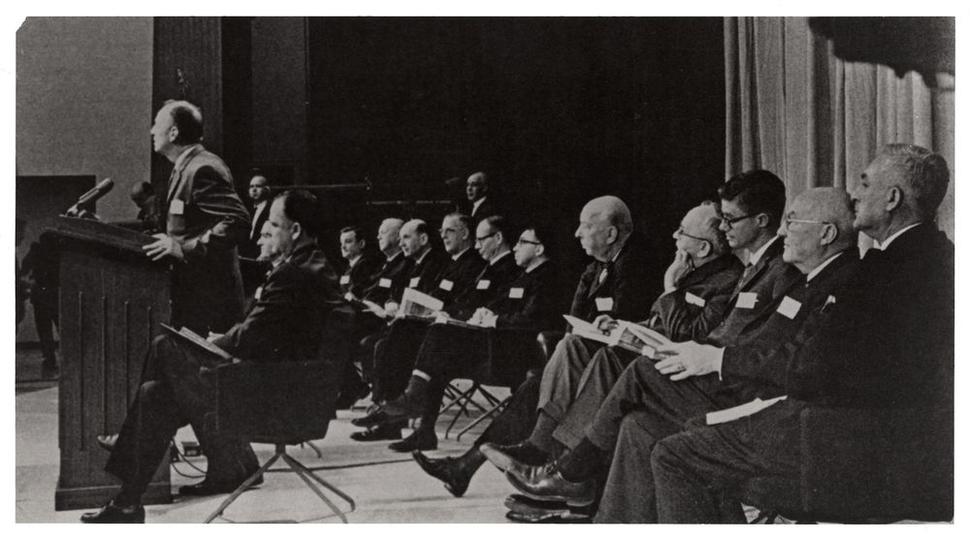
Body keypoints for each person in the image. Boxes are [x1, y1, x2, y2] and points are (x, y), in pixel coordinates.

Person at [651, 145, 953, 523]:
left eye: (864, 183)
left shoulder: (883, 272)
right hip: (885, 439)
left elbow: (816, 365)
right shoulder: (932, 257)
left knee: (677, 453)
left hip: (851, 442)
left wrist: (722, 363)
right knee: (695, 436)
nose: (855, 194)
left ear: (892, 198)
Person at [81, 190, 344, 523]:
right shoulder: (307, 265)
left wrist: (216, 342)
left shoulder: (296, 273)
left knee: (165, 347)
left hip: (278, 398)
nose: (265, 230)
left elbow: (249, 336)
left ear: (294, 232)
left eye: (273, 225)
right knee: (155, 395)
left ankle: (138, 468)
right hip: (281, 384)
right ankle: (128, 503)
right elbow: (265, 332)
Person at [362, 217, 544, 452]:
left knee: (431, 340)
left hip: (497, 348)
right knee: (417, 337)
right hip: (477, 334)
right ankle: (412, 419)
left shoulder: (512, 270)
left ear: (497, 238)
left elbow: (509, 311)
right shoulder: (490, 268)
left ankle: (404, 402)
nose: (477, 246)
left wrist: (477, 316)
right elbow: (471, 300)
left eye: (481, 239)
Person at [351, 214, 486, 450]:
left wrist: (444, 312)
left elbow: (468, 302)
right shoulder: (451, 263)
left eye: (450, 231)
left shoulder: (474, 264)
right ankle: (393, 409)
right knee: (391, 340)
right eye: (442, 230)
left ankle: (394, 408)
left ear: (465, 234)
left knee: (399, 338)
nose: (443, 235)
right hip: (436, 328)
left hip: (458, 333)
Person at [142, 99, 250, 335]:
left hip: (210, 301)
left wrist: (185, 248)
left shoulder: (202, 168)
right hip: (193, 295)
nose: (151, 130)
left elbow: (238, 221)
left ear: (173, 132)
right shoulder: (186, 166)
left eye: (156, 124)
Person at [333, 224, 386, 407]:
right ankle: (352, 386)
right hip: (348, 318)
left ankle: (353, 387)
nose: (344, 246)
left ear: (361, 243)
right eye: (342, 243)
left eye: (348, 242)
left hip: (365, 320)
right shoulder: (348, 269)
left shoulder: (366, 266)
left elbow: (360, 297)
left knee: (331, 339)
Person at [241, 172, 272, 260]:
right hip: (248, 255)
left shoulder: (271, 209)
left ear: (266, 189)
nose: (254, 190)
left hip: (263, 255)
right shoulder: (248, 210)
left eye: (258, 186)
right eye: (251, 186)